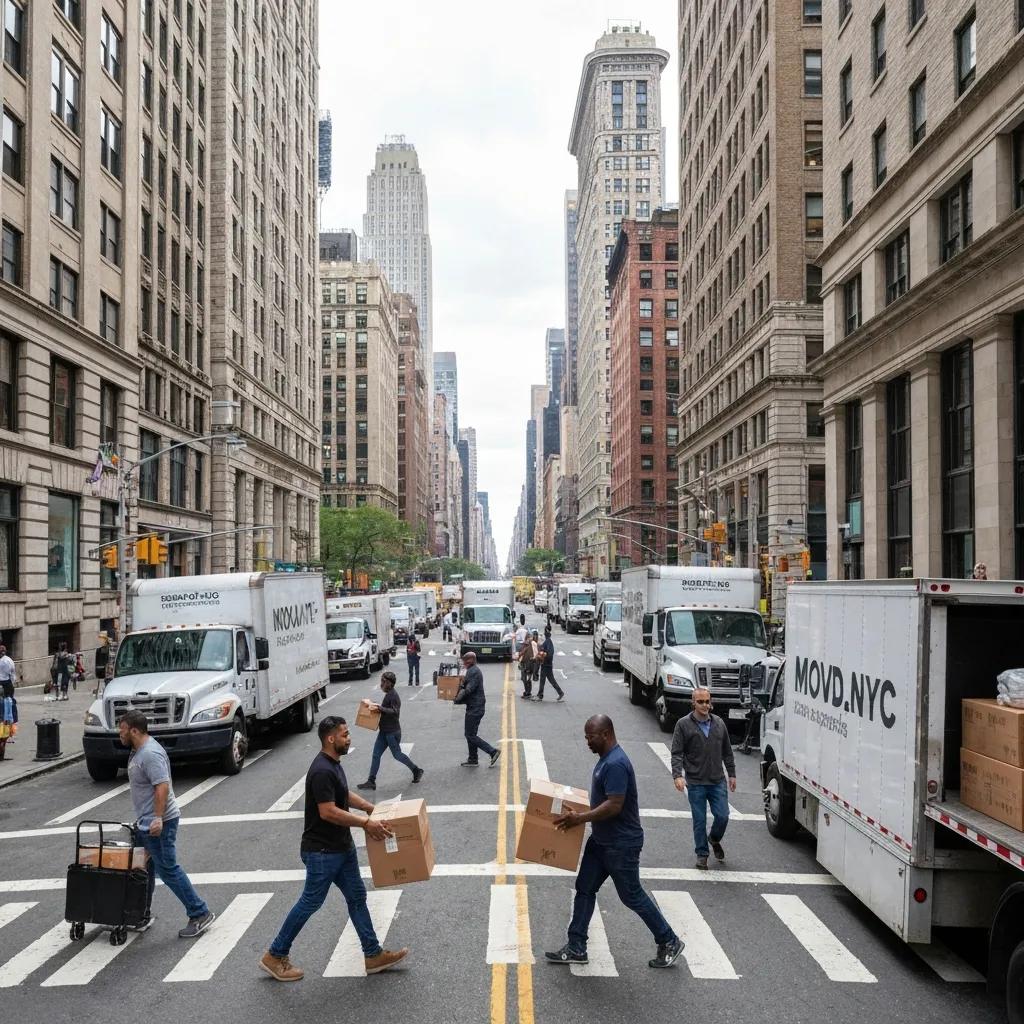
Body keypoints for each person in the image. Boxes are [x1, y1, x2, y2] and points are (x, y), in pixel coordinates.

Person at [260, 716, 409, 981]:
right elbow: (328, 811)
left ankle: (372, 954)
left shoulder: (333, 765)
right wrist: (365, 823)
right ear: (331, 739)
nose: (349, 738)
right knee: (310, 902)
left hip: (341, 848)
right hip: (323, 852)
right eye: (345, 735)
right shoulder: (321, 770)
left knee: (357, 897)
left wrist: (369, 807)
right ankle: (275, 955)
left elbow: (342, 793)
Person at [545, 715, 683, 969]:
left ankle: (669, 940)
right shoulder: (605, 761)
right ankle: (576, 946)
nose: (587, 742)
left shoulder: (616, 763)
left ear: (606, 734)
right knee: (585, 887)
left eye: (591, 737)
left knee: (631, 895)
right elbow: (603, 801)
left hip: (621, 844)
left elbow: (614, 806)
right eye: (586, 737)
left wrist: (580, 819)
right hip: (601, 841)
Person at [119, 710, 216, 936]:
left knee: (168, 869)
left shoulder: (150, 754)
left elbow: (162, 786)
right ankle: (140, 913)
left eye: (122, 730)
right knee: (144, 869)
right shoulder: (137, 751)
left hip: (159, 822)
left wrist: (157, 819)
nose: (119, 734)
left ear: (134, 730)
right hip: (146, 822)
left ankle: (200, 912)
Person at [670, 687, 736, 870]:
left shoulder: (719, 724)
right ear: (693, 703)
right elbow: (676, 753)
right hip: (696, 782)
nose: (705, 705)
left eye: (707, 701)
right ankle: (702, 854)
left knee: (723, 816)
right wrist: (677, 775)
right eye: (700, 702)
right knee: (699, 820)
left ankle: (714, 839)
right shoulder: (683, 725)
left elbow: (727, 752)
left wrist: (732, 774)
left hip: (717, 781)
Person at [357, 671, 423, 790]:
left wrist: (380, 708)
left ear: (389, 683)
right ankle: (371, 781)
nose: (381, 683)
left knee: (397, 755)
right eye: (381, 681)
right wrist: (376, 706)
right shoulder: (388, 694)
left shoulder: (393, 696)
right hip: (384, 732)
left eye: (383, 681)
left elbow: (395, 711)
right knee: (376, 755)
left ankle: (416, 770)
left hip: (392, 733)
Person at [452, 652, 500, 767]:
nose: (463, 663)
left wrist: (457, 697)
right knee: (471, 734)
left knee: (470, 735)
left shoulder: (473, 671)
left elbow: (469, 689)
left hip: (476, 707)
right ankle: (473, 759)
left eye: (465, 661)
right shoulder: (472, 670)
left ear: (469, 661)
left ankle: (492, 751)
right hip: (474, 706)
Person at [535, 627, 565, 702]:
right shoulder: (547, 642)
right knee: (551, 680)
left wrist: (543, 654)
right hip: (547, 664)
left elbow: (549, 653)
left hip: (546, 664)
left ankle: (540, 695)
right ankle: (560, 692)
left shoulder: (548, 642)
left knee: (543, 680)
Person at [0, 644, 16, 731]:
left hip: (3, 683)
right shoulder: (9, 660)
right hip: (8, 683)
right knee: (9, 704)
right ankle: (9, 726)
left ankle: (4, 724)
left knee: (3, 706)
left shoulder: (2, 661)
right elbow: (12, 672)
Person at [517, 629, 537, 699]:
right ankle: (527, 692)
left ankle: (528, 693)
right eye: (528, 637)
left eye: (530, 637)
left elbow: (535, 654)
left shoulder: (533, 645)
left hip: (530, 664)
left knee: (528, 679)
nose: (529, 639)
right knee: (524, 679)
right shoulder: (524, 645)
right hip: (524, 664)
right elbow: (521, 654)